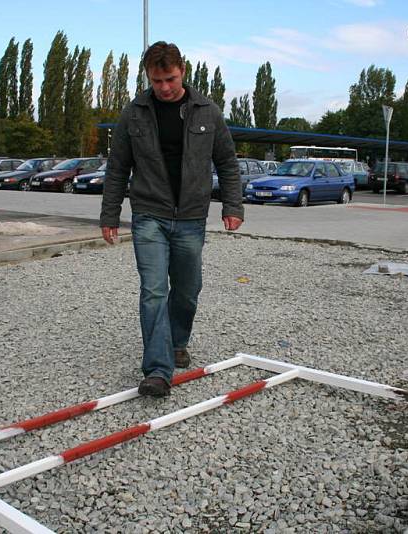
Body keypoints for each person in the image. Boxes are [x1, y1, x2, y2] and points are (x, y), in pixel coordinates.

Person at [100, 41, 244, 397]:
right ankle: (157, 370)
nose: (164, 87)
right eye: (157, 80)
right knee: (152, 291)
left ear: (183, 71)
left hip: (192, 217)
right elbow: (118, 167)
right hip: (149, 214)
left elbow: (226, 162)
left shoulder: (207, 112)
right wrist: (110, 214)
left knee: (187, 291)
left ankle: (177, 342)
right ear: (147, 76)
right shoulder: (133, 113)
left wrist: (232, 206)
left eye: (171, 79)